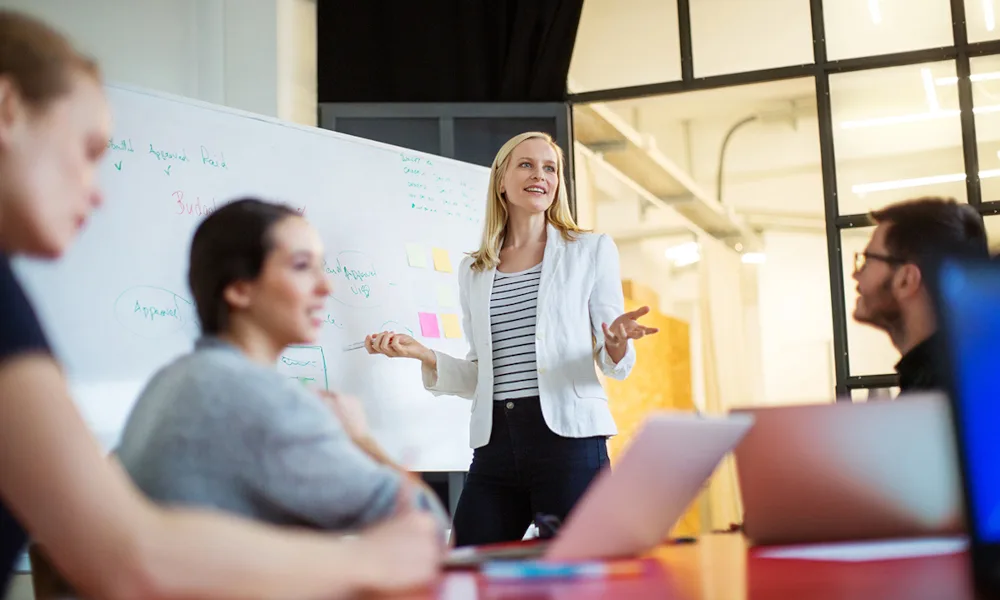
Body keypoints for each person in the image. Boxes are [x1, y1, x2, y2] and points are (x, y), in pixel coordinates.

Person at [0, 10, 440, 599]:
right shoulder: (256, 396)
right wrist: (359, 447)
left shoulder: (172, 381)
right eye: (87, 149)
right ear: (7, 110)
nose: (97, 188)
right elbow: (426, 529)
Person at [366, 131, 658, 546]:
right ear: (501, 179)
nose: (540, 175)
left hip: (570, 442)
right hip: (497, 442)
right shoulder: (475, 269)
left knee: (582, 574)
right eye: (526, 164)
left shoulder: (589, 250)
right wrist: (425, 355)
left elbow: (615, 360)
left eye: (550, 167)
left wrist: (616, 342)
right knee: (464, 564)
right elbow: (481, 376)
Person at [115, 198, 450, 536]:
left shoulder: (166, 383)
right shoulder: (263, 398)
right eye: (302, 266)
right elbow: (426, 525)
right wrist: (360, 439)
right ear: (239, 289)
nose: (327, 286)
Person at [852, 196, 989, 393]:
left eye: (867, 260)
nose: (856, 274)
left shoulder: (943, 398)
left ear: (906, 280)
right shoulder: (970, 374)